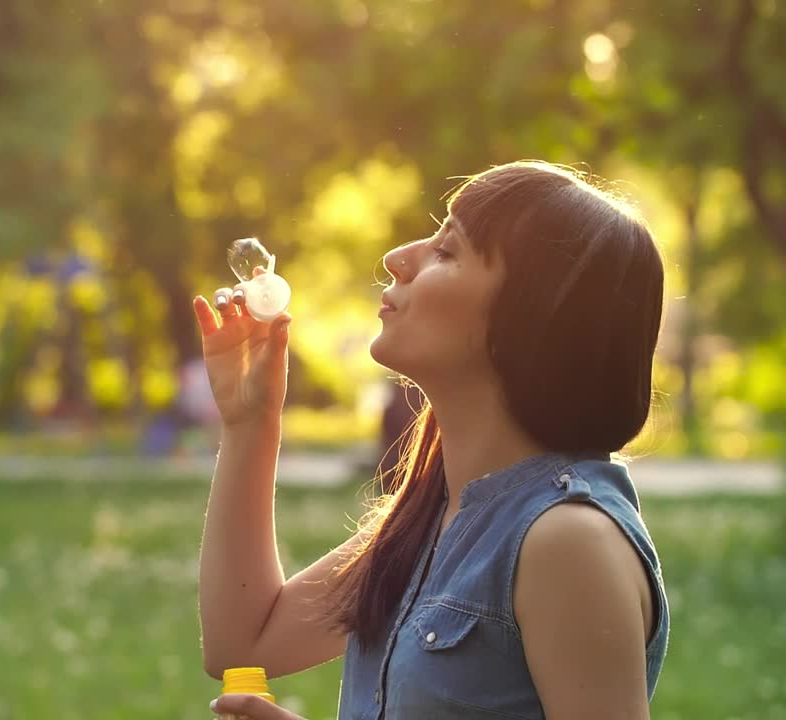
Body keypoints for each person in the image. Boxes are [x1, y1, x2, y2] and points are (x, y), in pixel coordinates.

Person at [195, 161, 668, 719]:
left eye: (447, 251)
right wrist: (250, 423)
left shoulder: (567, 542)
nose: (398, 259)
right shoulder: (433, 516)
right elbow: (245, 640)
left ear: (531, 317)